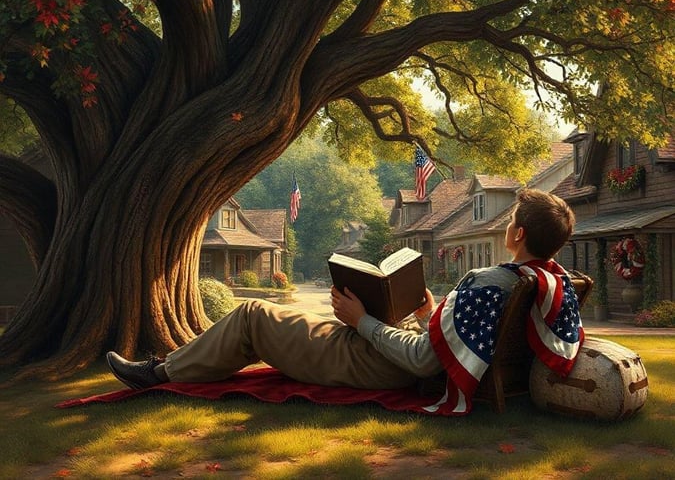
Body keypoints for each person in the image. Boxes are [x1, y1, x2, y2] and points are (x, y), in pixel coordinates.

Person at [107, 189, 583, 414]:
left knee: (252, 313)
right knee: (278, 320)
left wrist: (361, 321)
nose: (506, 223)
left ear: (516, 233)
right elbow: (452, 344)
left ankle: (160, 373)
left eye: (511, 218)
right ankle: (178, 363)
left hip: (382, 363)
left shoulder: (486, 282)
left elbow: (420, 362)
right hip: (391, 350)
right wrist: (425, 314)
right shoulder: (550, 283)